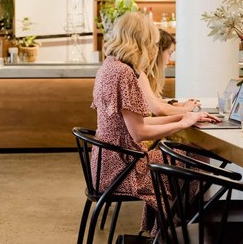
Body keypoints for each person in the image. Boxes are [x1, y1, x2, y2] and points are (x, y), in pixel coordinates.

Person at [91, 12, 219, 236]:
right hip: (124, 167)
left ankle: (171, 227)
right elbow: (139, 132)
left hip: (107, 163)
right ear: (142, 40)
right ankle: (177, 229)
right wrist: (182, 123)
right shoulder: (125, 73)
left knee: (181, 158)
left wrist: (183, 118)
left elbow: (139, 122)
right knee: (192, 158)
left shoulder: (110, 66)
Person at [139, 29, 201, 116]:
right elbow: (158, 109)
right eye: (169, 53)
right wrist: (186, 109)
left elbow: (151, 100)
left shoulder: (143, 73)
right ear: (158, 52)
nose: (170, 59)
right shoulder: (139, 74)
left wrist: (177, 104)